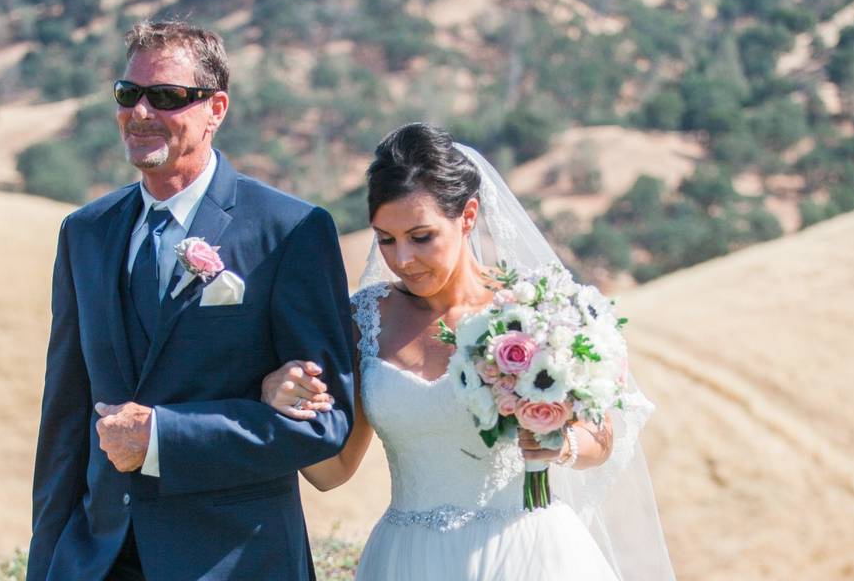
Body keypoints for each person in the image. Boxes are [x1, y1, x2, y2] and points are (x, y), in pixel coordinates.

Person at [261, 123, 676, 580]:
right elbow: (331, 473)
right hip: (408, 561)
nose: (402, 260)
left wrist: (558, 443)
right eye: (386, 239)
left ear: (468, 214)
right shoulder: (364, 323)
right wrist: (284, 408)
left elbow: (600, 439)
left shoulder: (538, 310)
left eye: (421, 237)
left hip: (528, 554)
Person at [27, 20, 355, 581]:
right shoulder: (84, 232)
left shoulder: (290, 231)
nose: (141, 112)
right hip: (96, 560)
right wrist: (48, 563)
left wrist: (163, 438)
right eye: (128, 94)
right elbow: (64, 423)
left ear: (216, 108)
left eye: (168, 97)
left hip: (233, 561)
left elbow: (324, 424)